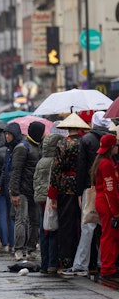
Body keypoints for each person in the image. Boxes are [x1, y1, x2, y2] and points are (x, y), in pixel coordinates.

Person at [62, 111, 113, 277]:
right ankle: (101, 262)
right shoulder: (112, 140)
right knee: (105, 228)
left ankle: (80, 264)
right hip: (107, 188)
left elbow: (81, 168)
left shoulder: (87, 140)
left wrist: (78, 191)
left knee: (87, 226)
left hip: (89, 188)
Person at [47, 113, 90, 270]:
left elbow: (56, 169)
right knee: (83, 224)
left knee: (66, 225)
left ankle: (66, 259)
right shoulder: (85, 142)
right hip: (82, 185)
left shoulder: (62, 144)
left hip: (65, 186)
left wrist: (52, 194)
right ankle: (85, 259)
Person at [10, 121, 45, 261]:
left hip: (34, 191)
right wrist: (15, 193)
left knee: (35, 221)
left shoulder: (38, 147)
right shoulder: (22, 148)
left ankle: (30, 249)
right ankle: (19, 249)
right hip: (23, 191)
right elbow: (16, 171)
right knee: (22, 220)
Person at [33, 133, 64, 274]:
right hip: (50, 198)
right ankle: (52, 263)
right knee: (52, 229)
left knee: (43, 229)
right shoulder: (55, 161)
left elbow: (36, 180)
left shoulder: (41, 161)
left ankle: (44, 263)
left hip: (40, 198)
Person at [90, 134, 119, 279]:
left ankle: (109, 265)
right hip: (107, 203)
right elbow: (110, 189)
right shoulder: (106, 164)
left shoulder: (102, 162)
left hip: (102, 201)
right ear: (112, 147)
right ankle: (107, 268)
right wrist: (115, 211)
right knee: (109, 236)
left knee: (109, 234)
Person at [0, 122, 22, 253]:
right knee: (8, 216)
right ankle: (7, 243)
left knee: (11, 216)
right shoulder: (9, 149)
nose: (7, 136)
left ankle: (13, 243)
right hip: (6, 186)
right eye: (6, 134)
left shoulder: (17, 149)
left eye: (9, 134)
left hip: (13, 187)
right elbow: (5, 170)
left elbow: (16, 170)